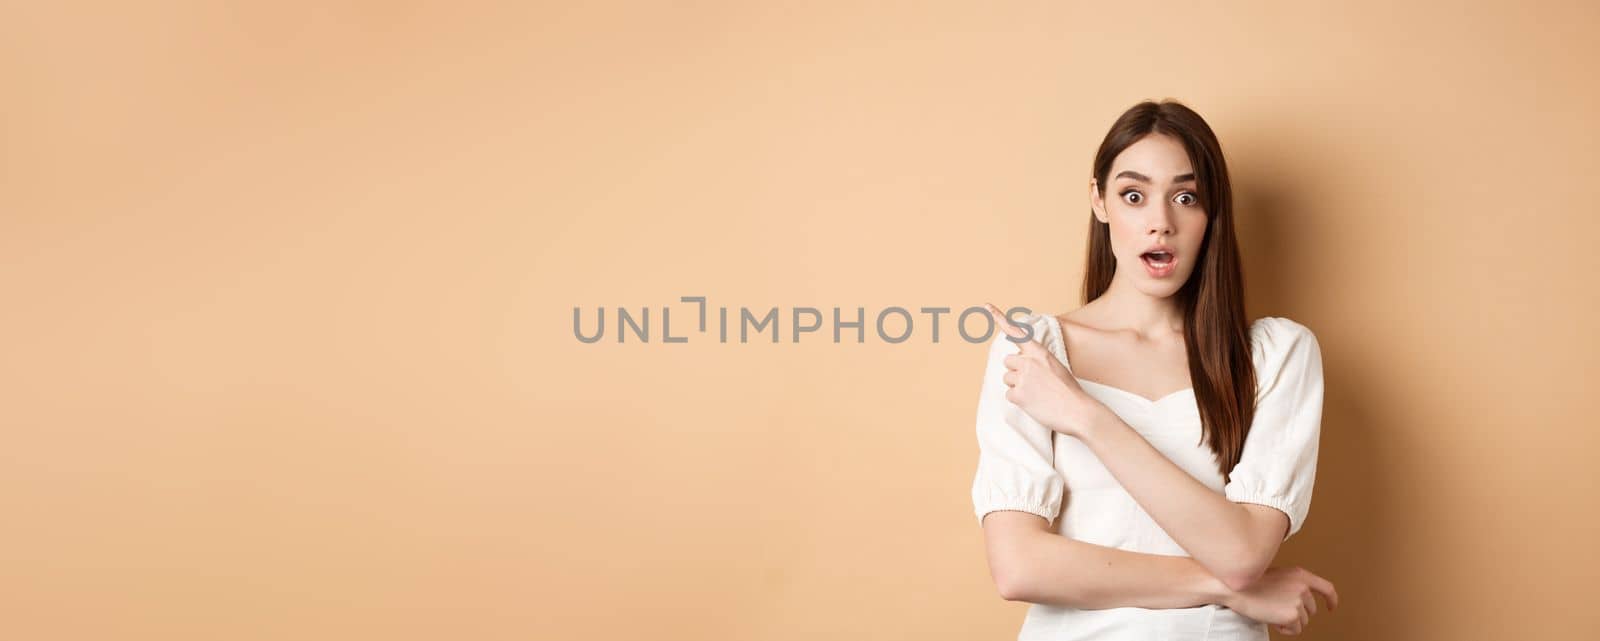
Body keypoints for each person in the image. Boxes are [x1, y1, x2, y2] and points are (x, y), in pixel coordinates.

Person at [970, 99, 1339, 640]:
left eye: (1185, 197)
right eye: (1134, 196)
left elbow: (1240, 553)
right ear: (1100, 202)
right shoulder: (1033, 353)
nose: (1160, 223)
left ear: (1211, 213)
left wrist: (1084, 414)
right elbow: (1019, 565)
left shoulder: (1275, 355)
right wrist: (1228, 588)